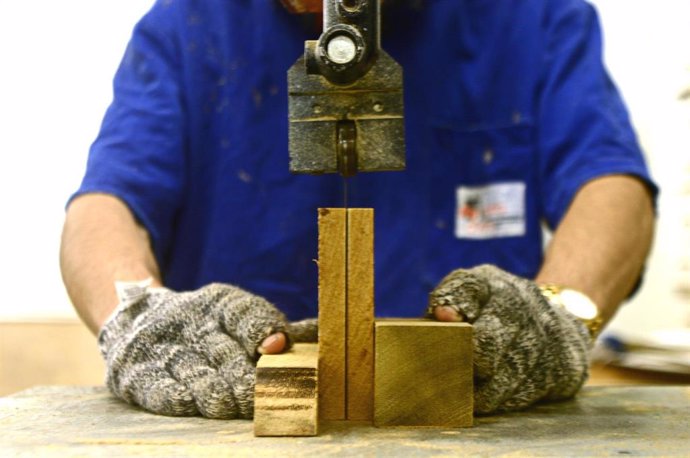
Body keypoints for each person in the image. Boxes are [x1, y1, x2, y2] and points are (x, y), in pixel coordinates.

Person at [60, 0, 656, 419]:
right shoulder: (188, 25)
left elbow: (612, 190)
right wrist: (137, 319)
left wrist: (559, 314)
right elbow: (104, 208)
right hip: (238, 419)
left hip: (468, 414)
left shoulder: (535, 18)